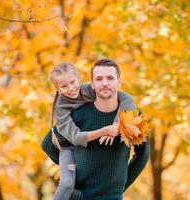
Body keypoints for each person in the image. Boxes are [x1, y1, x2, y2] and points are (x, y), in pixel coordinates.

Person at [42, 58, 149, 200]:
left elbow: (142, 155)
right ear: (92, 84)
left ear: (119, 81)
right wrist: (73, 175)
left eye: (110, 78)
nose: (105, 83)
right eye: (99, 79)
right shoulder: (76, 113)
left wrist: (119, 187)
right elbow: (48, 145)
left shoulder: (133, 116)